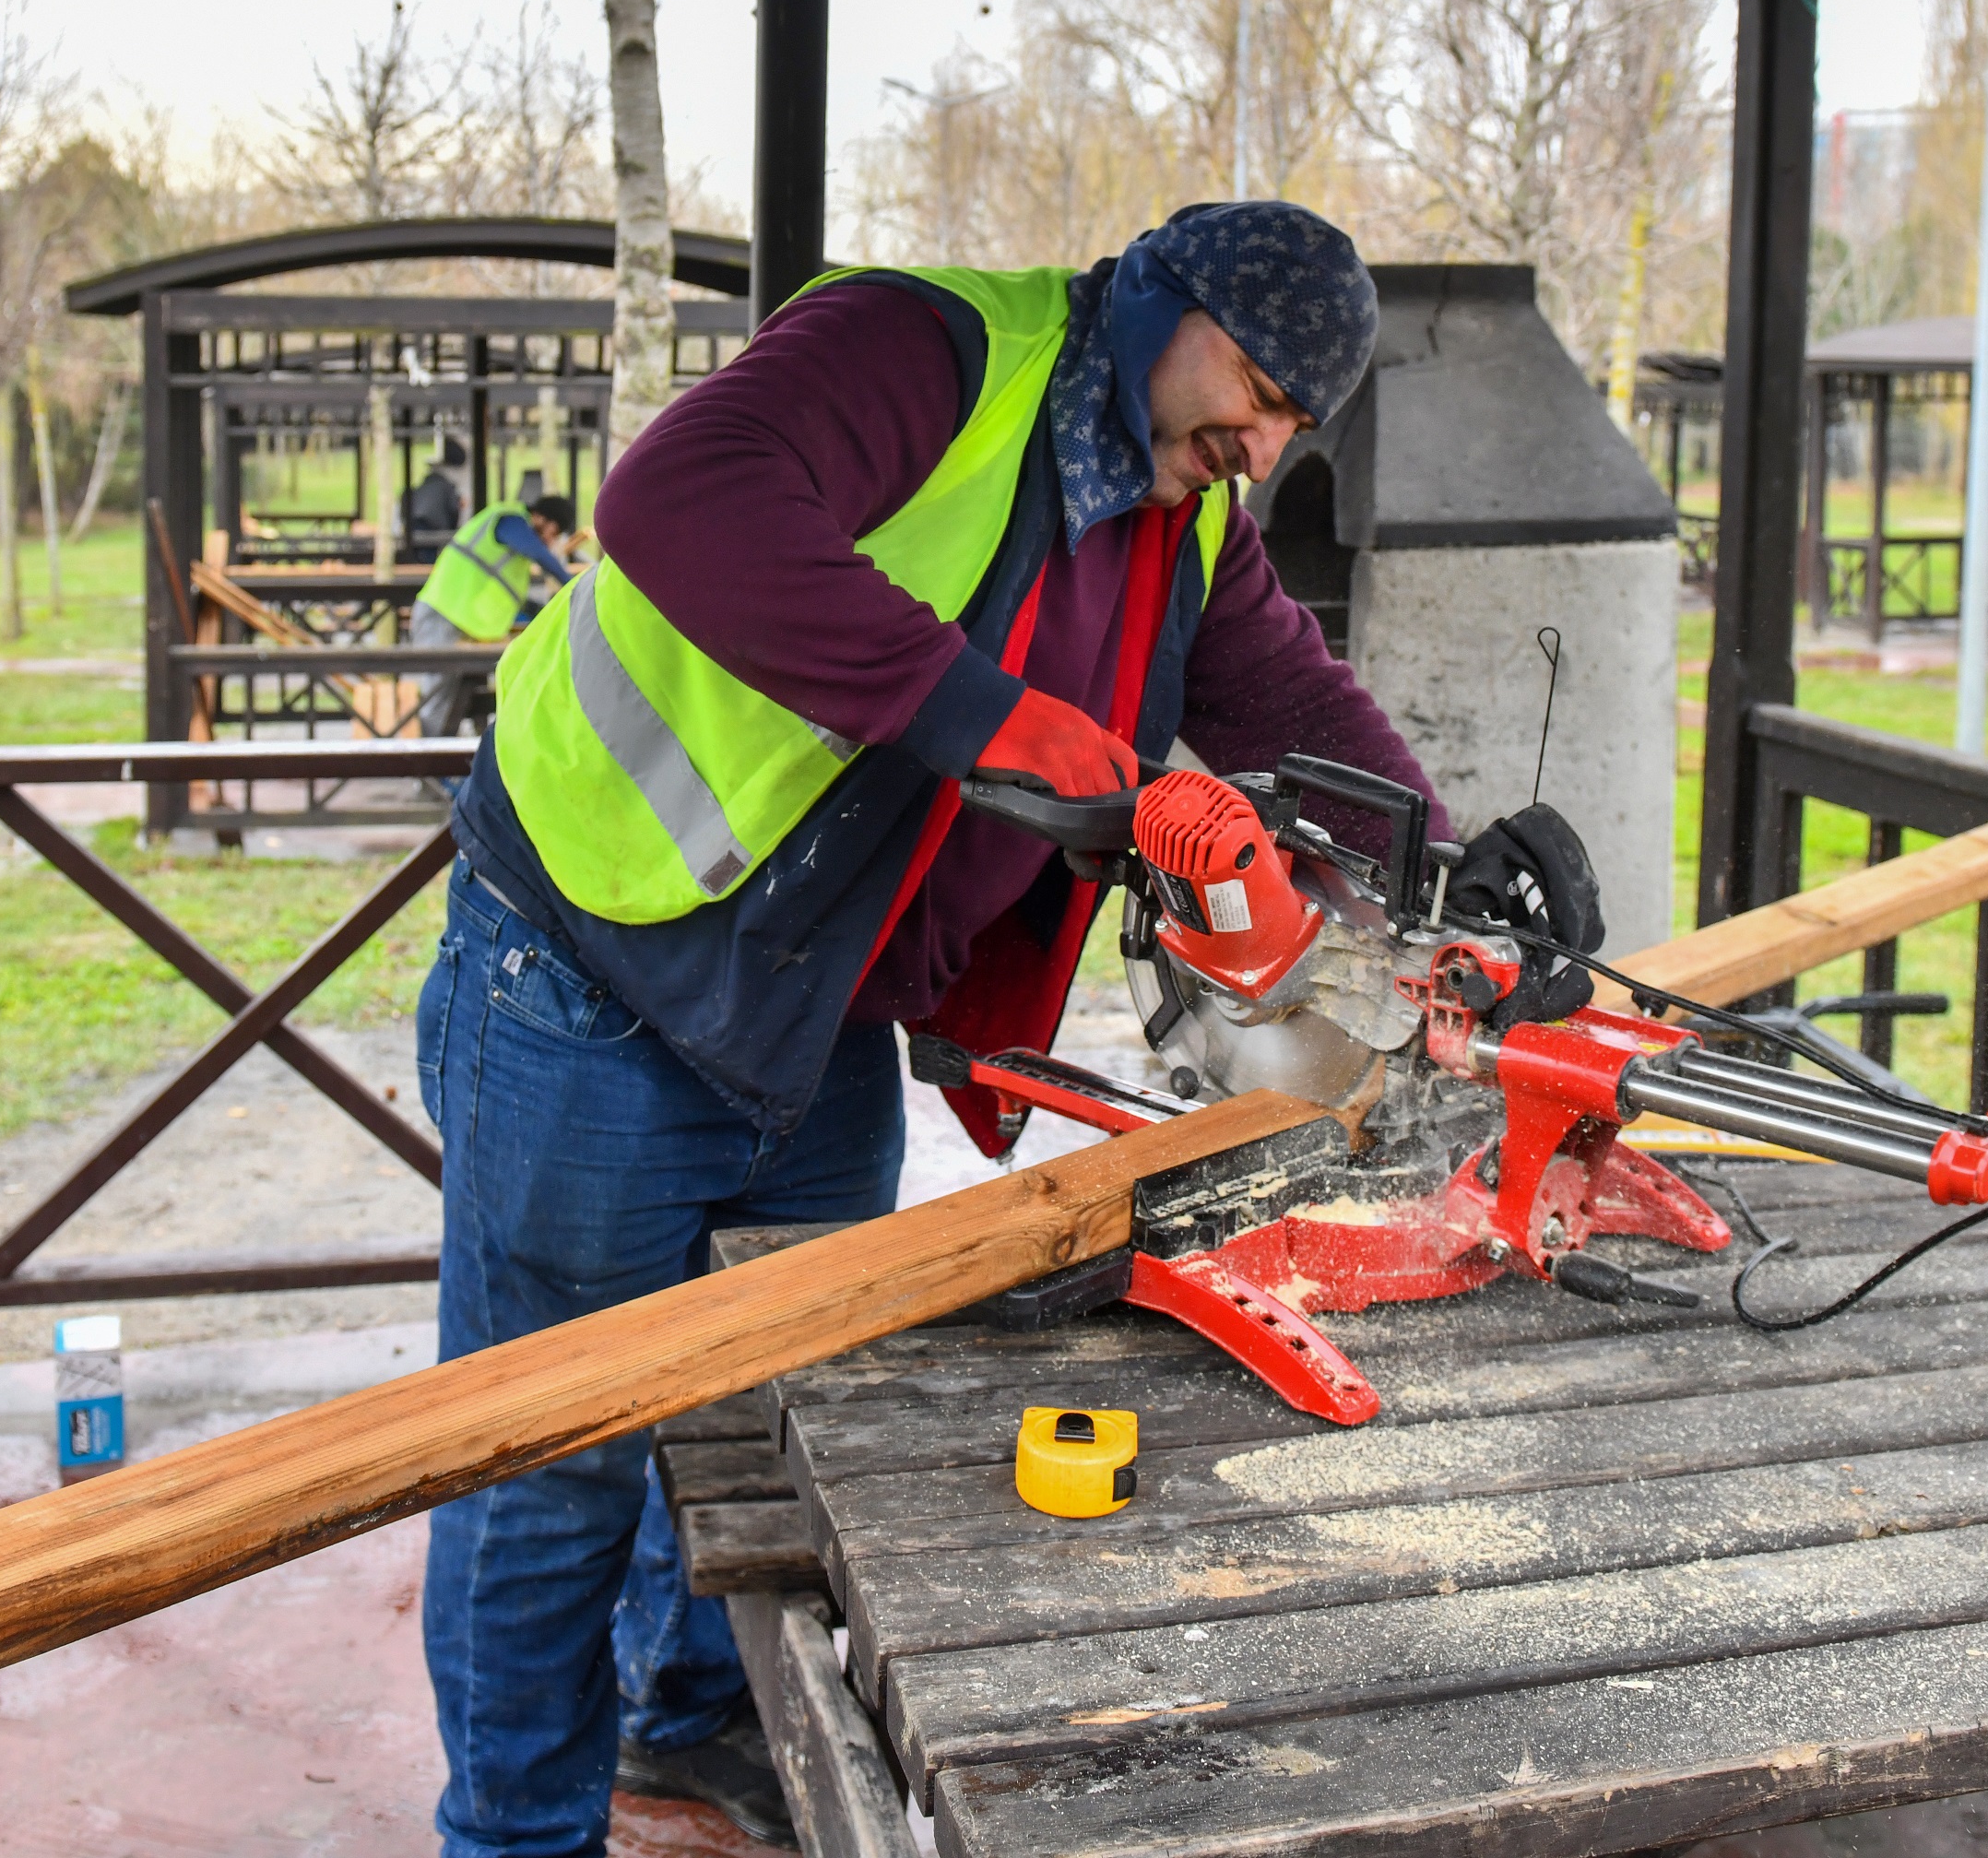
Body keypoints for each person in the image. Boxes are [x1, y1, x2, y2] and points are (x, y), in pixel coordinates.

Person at [411, 201, 1452, 1857]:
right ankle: (518, 1835)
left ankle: (689, 1723)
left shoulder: (1190, 514)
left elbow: (1289, 693)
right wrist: (974, 715)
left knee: (779, 1415)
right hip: (588, 963)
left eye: (1285, 428)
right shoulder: (925, 348)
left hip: (810, 1004)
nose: (1254, 449)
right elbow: (673, 498)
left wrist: (1449, 864)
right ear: (1158, 300)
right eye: (1251, 392)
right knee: (554, 1456)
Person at [409, 491, 578, 739]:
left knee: (459, 696)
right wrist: (573, 585)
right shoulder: (509, 522)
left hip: (462, 622)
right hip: (443, 614)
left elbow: (511, 596)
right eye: (553, 531)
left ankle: (448, 765)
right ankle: (423, 767)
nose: (550, 540)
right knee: (437, 696)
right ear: (540, 518)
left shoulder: (514, 551)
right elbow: (540, 556)